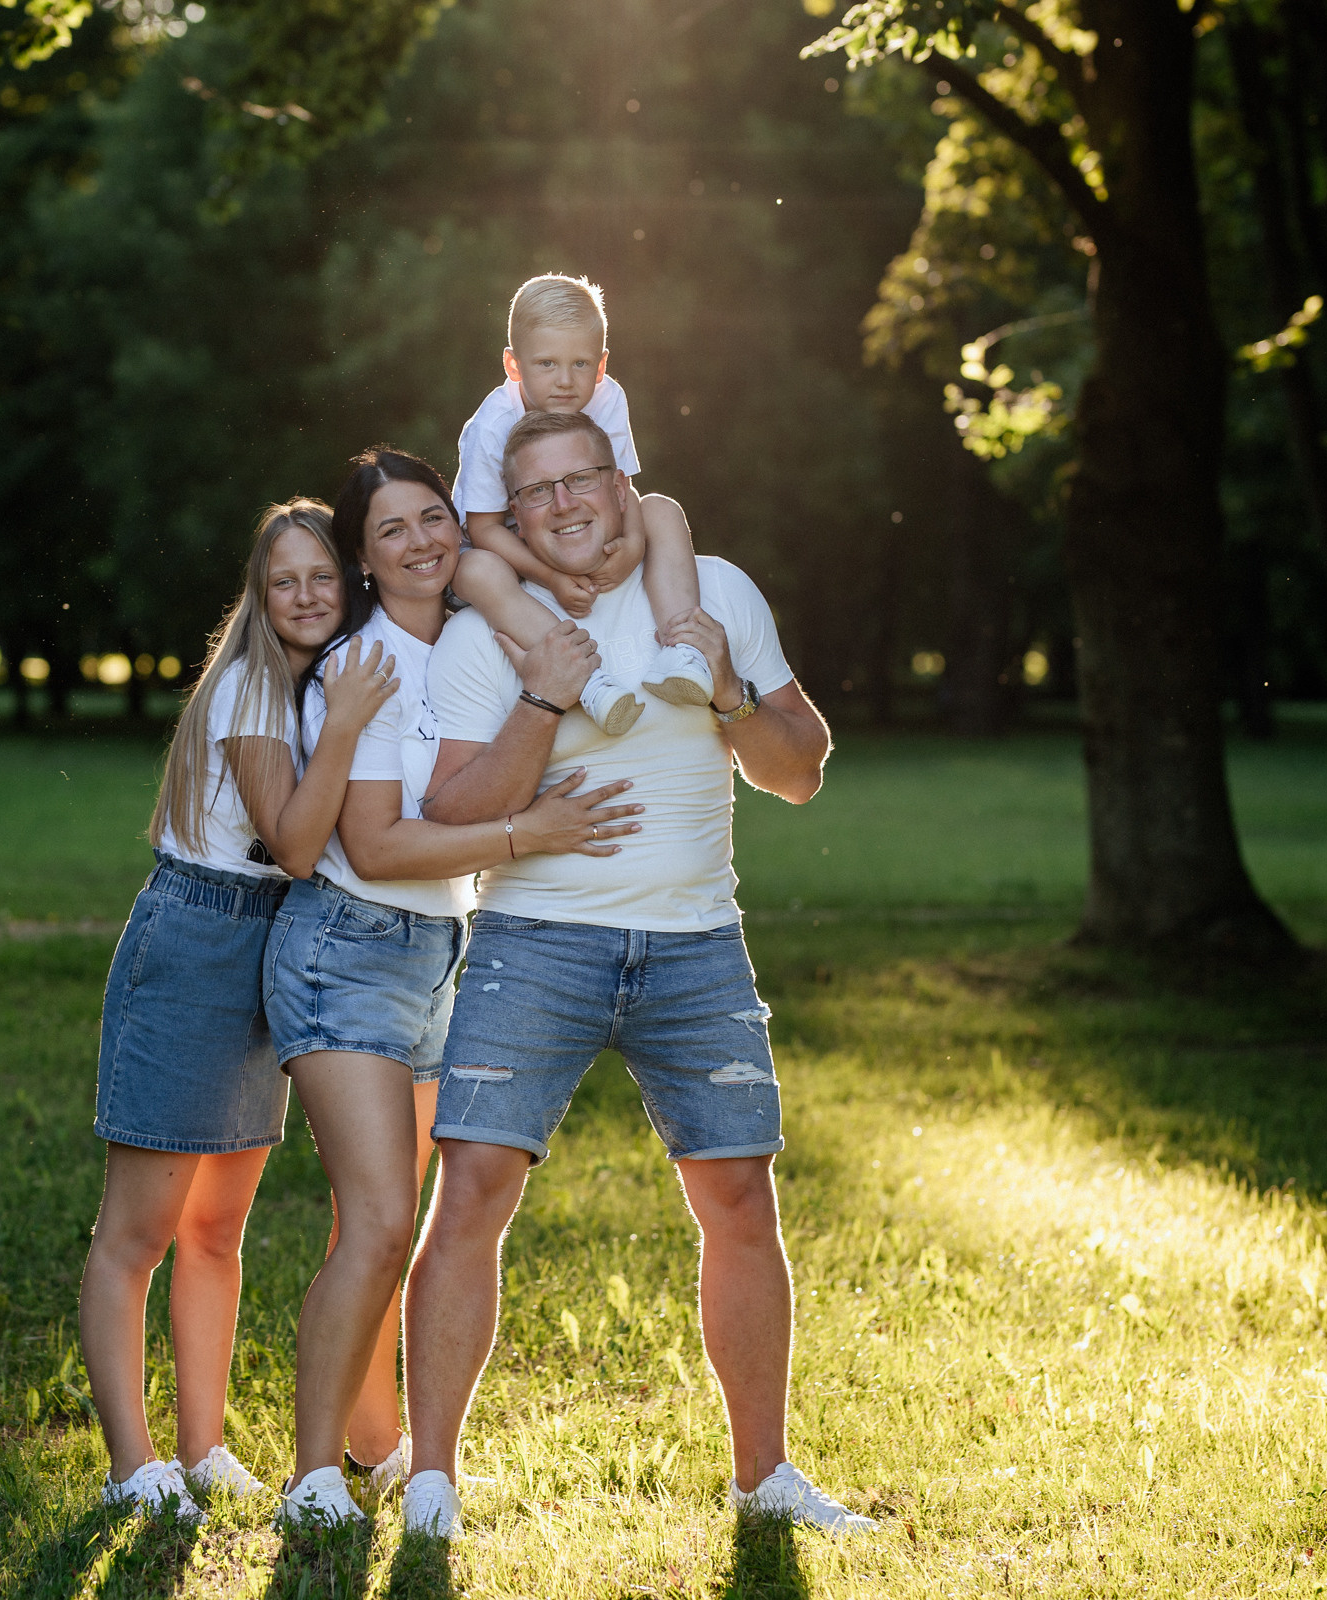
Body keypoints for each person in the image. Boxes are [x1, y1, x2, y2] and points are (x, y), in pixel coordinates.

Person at [398, 410, 878, 1541]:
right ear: (514, 519)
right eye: (540, 493)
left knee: (740, 1199)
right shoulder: (486, 633)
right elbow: (450, 809)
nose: (567, 503)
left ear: (622, 483)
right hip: (533, 942)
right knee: (469, 1192)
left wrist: (725, 688)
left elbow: (800, 772)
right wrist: (545, 699)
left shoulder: (710, 591)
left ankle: (764, 1477)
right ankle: (431, 1482)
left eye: (586, 478)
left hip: (696, 943)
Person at [261, 445, 648, 1528]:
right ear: (365, 561)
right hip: (347, 946)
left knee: (389, 1221)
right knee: (382, 1221)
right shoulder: (369, 667)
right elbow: (377, 847)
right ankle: (309, 1479)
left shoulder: (475, 638)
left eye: (433, 516)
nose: (423, 540)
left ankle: (375, 1448)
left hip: (441, 951)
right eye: (392, 531)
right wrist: (531, 832)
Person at [78, 499, 400, 1521]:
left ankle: (203, 1447)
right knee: (137, 1232)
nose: (307, 596)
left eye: (322, 577)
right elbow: (298, 845)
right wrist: (347, 725)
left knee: (219, 1229)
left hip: (274, 941)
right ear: (260, 600)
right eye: (284, 581)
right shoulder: (259, 689)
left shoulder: (312, 680)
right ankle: (135, 1464)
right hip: (197, 939)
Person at [447, 273, 716, 736]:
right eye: (547, 364)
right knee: (473, 570)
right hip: (507, 543)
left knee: (661, 508)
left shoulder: (607, 397)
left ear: (602, 364)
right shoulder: (494, 425)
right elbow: (484, 527)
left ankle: (683, 653)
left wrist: (632, 542)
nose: (566, 382)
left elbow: (619, 488)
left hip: (579, 527)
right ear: (514, 366)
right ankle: (590, 682)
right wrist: (550, 576)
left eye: (581, 364)